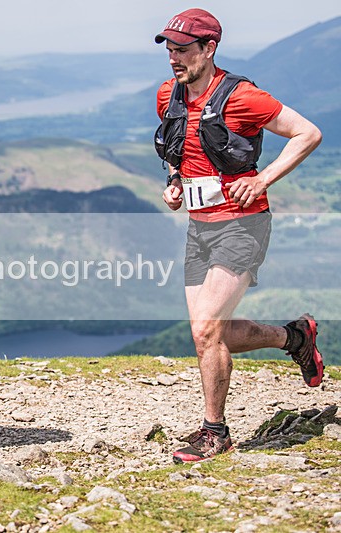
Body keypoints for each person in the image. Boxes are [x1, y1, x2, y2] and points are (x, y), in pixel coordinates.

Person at [154, 8, 324, 463]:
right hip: (199, 227)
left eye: (183, 49)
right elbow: (181, 151)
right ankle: (295, 337)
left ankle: (215, 432)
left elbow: (308, 133)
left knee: (206, 329)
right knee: (209, 331)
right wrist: (174, 183)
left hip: (243, 224)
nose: (174, 57)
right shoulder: (168, 95)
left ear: (209, 48)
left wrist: (263, 178)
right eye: (169, 48)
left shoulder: (243, 96)